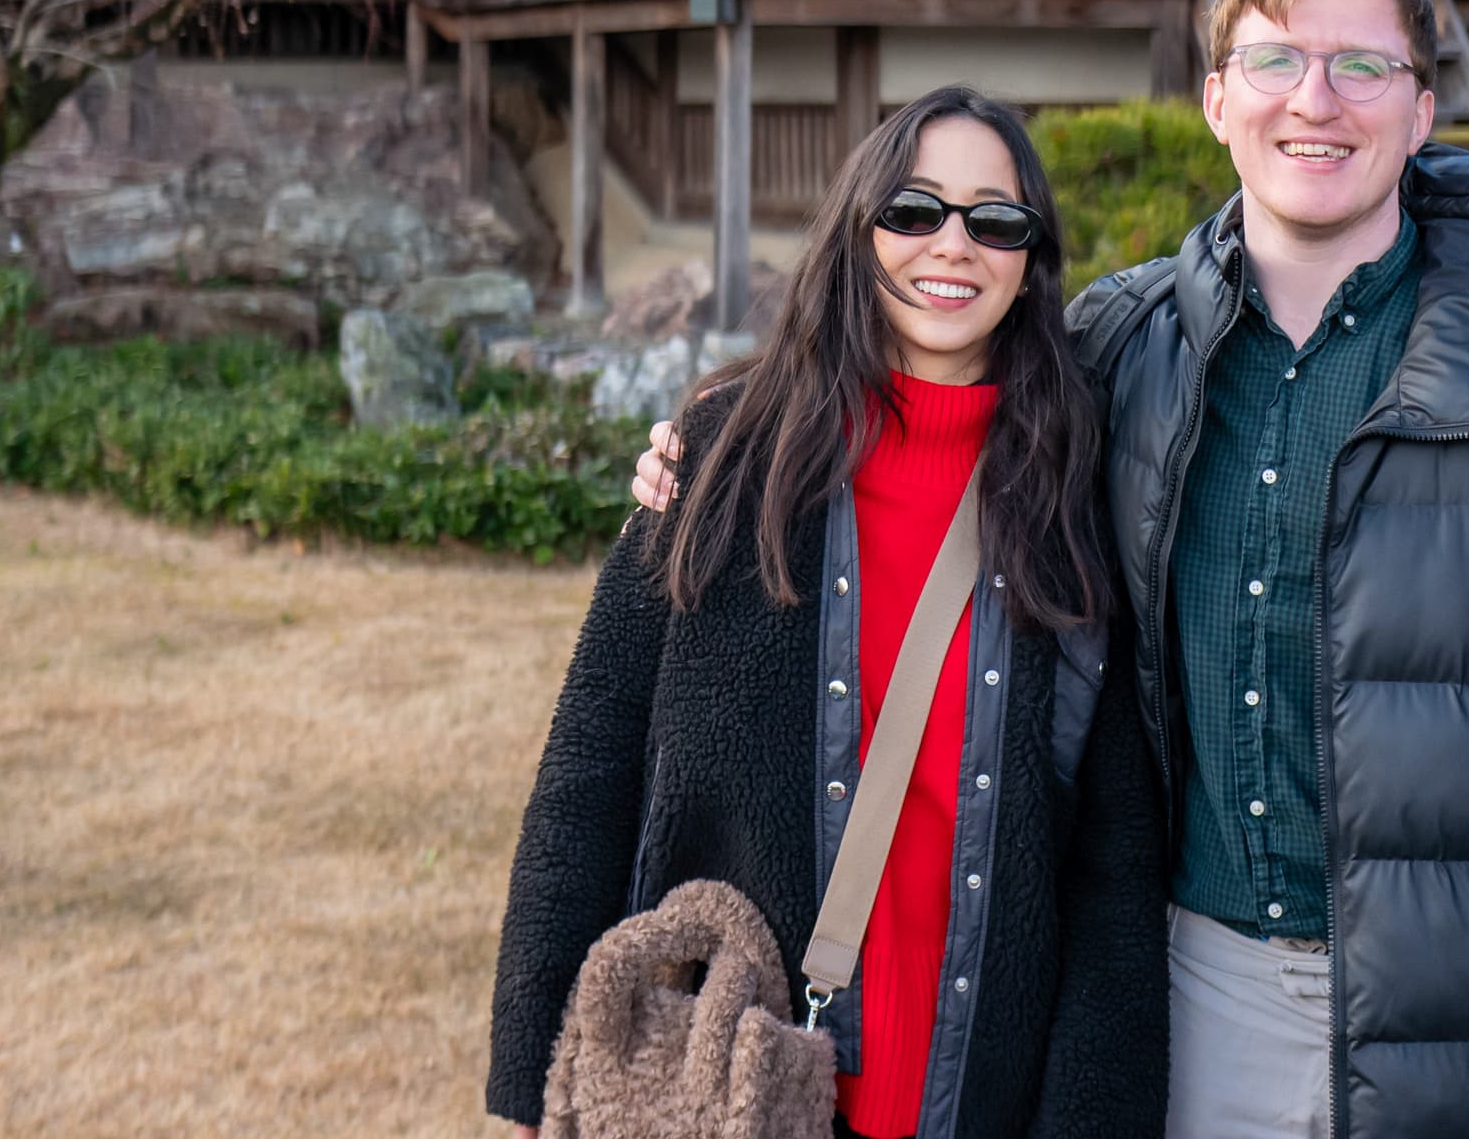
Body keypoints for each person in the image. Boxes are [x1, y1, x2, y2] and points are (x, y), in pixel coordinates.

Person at [637, 0, 1469, 1139]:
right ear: (1218, 99)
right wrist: (722, 432)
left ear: (1422, 112)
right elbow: (913, 382)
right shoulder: (1122, 350)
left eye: (1361, 68)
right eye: (1275, 62)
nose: (1315, 102)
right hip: (1198, 1001)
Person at [489, 86, 1170, 1139]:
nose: (953, 244)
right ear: (858, 228)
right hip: (725, 1086)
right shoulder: (725, 456)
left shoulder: (1074, 496)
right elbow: (589, 765)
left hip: (971, 1103)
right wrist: (528, 1080)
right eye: (913, 209)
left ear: (1032, 259)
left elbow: (1112, 881)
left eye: (995, 220)